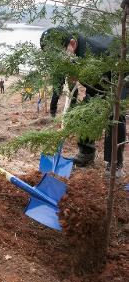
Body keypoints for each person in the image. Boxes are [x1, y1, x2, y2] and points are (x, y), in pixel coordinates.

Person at [40, 26, 126, 176]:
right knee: (84, 112)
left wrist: (115, 99)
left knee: (114, 116)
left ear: (72, 44)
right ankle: (87, 152)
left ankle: (114, 164)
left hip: (120, 77)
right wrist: (54, 104)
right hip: (96, 82)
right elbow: (60, 75)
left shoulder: (96, 51)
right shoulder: (66, 50)